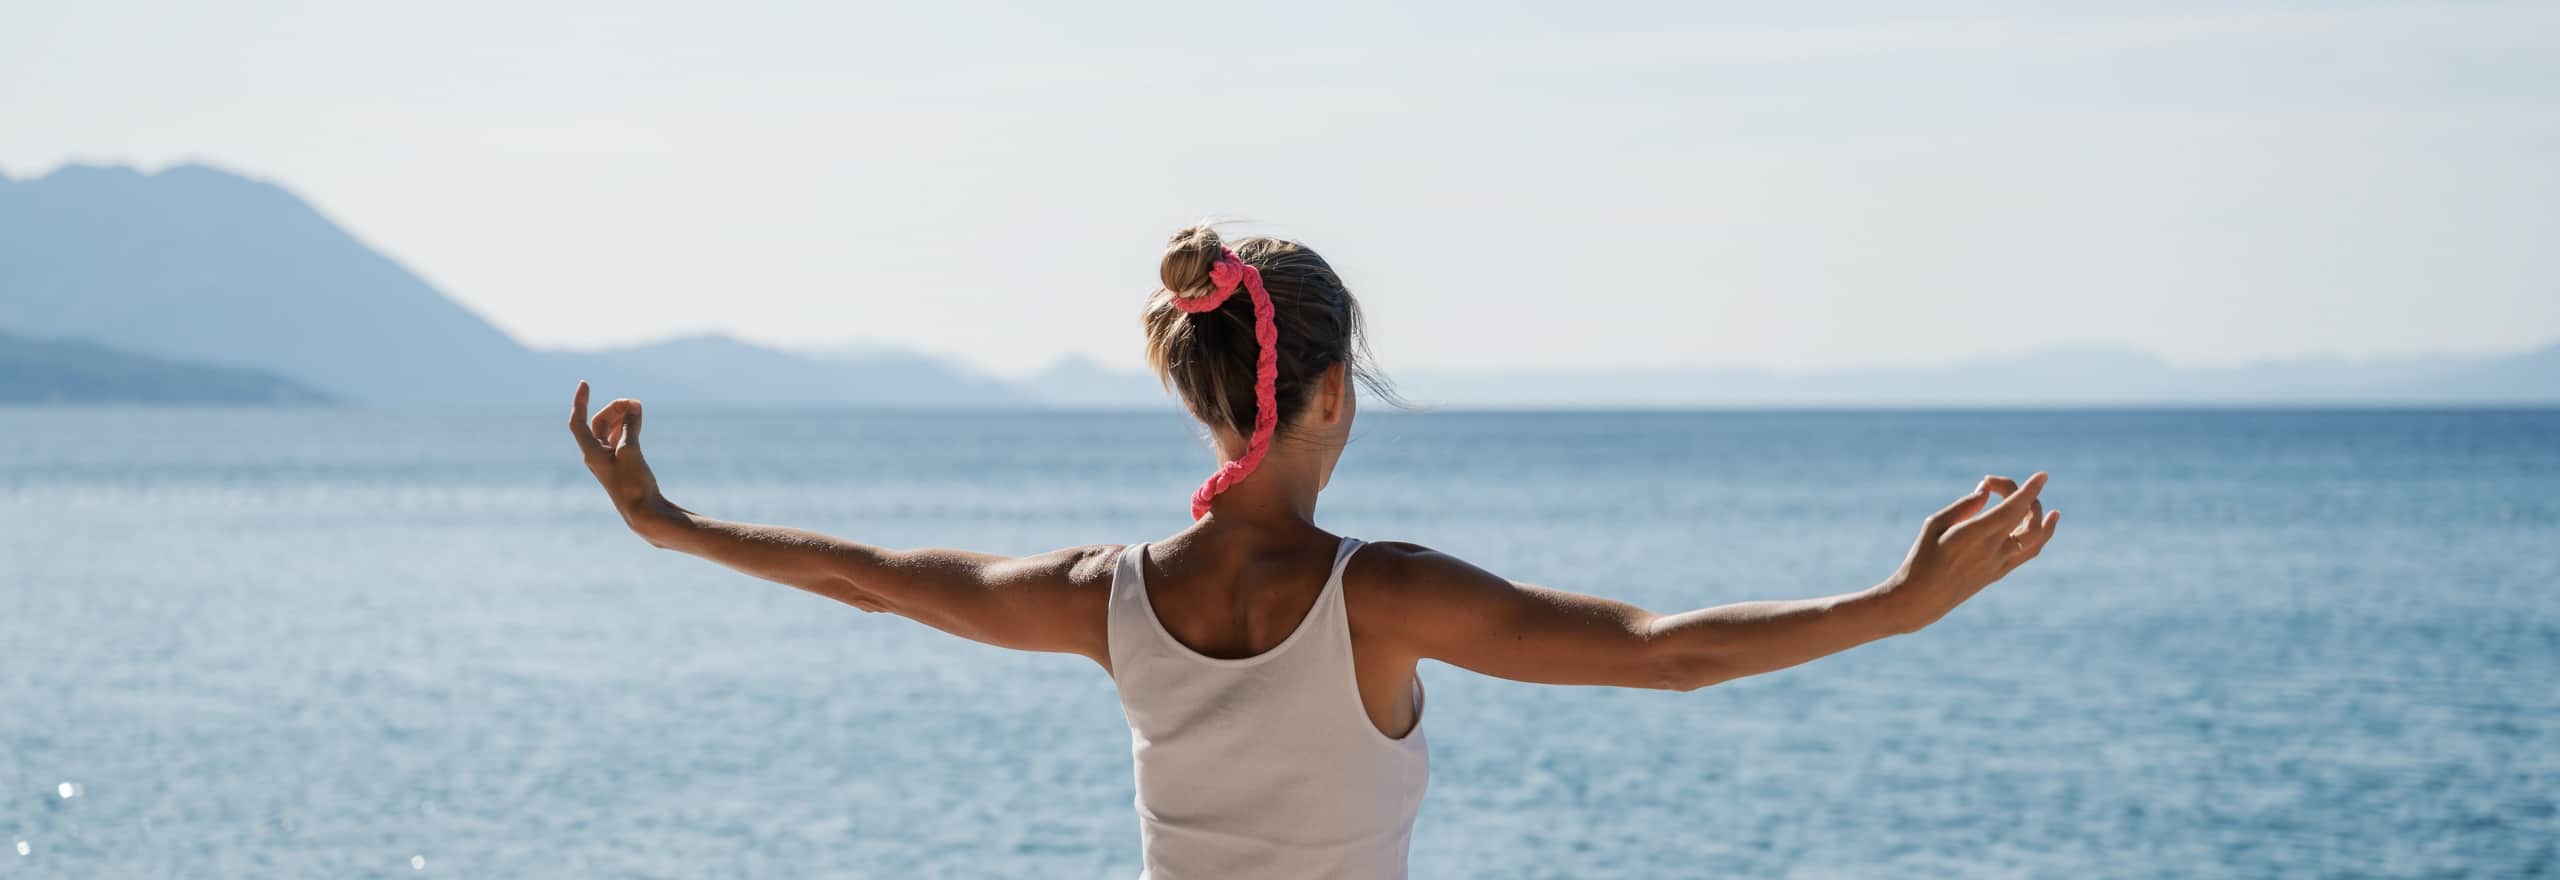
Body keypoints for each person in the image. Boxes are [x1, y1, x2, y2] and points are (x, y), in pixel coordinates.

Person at [567, 224, 2062, 879]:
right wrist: (1900, 605)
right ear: (1333, 395)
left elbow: (869, 574)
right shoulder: (1380, 596)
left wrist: (665, 521)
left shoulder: (1110, 598)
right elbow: (1665, 658)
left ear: (1203, 395)